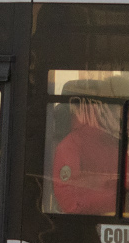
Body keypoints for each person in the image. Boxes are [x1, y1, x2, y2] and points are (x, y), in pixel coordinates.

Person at [50, 81, 120, 215]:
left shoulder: (114, 142)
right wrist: (117, 202)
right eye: (110, 107)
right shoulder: (71, 145)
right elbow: (70, 200)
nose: (116, 113)